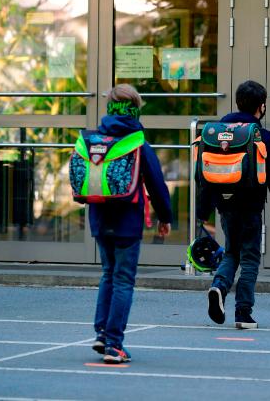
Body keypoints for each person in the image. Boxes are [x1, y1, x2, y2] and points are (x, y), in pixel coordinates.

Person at [88, 84, 172, 363]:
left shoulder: (96, 140)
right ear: (135, 110)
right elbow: (157, 185)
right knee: (123, 279)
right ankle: (114, 344)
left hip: (99, 218)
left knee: (108, 274)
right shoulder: (137, 143)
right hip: (127, 222)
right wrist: (165, 217)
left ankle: (101, 333)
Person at [200, 80, 270, 329]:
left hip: (224, 204)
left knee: (231, 252)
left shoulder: (216, 134)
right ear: (261, 107)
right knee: (249, 258)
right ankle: (243, 313)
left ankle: (218, 286)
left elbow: (204, 175)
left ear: (237, 102)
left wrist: (202, 212)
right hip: (250, 206)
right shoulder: (263, 136)